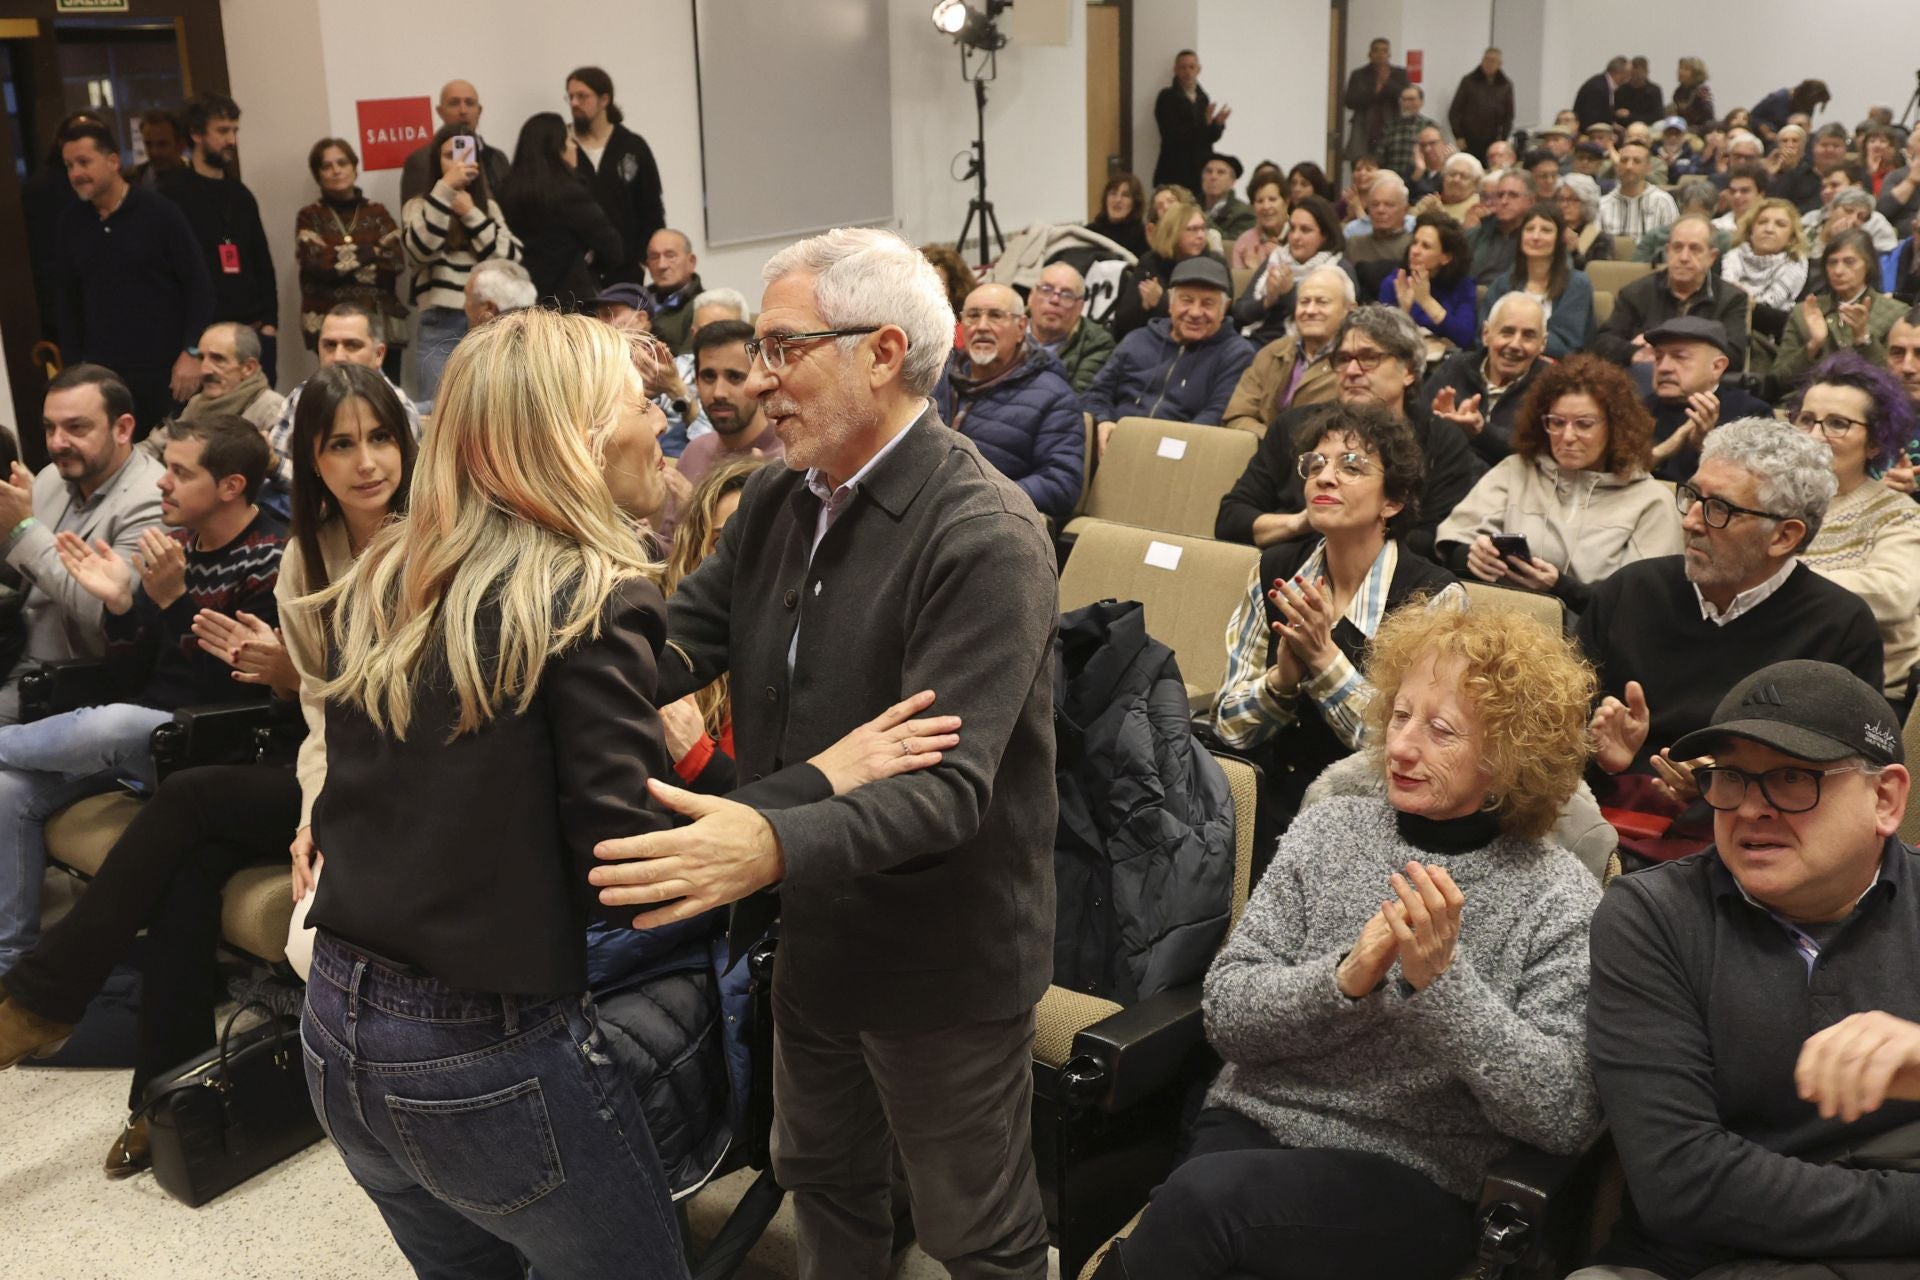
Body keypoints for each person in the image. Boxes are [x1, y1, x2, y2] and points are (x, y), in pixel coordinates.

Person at [592, 227, 1058, 1280]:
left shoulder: (984, 531)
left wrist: (763, 841)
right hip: (813, 930)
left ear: (883, 352)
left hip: (942, 952)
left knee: (973, 1232)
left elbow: (944, 790)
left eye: (780, 348)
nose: (757, 383)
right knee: (827, 1182)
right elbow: (671, 648)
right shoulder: (772, 502)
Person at [291, 305, 706, 1274]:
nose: (662, 421)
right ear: (578, 436)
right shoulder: (593, 597)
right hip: (477, 1052)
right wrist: (803, 799)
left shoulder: (387, 572)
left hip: (335, 1023)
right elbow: (628, 865)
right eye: (642, 402)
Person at [1098, 603, 1604, 1280]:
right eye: (1399, 716)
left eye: (1441, 730)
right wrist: (1345, 979)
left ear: (1510, 759)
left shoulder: (1558, 899)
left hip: (1413, 1174)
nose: (1400, 746)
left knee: (1199, 1209)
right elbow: (1228, 1017)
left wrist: (1442, 989)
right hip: (1255, 1126)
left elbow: (1563, 1113)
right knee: (1207, 1221)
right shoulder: (1328, 830)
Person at [0, 363, 412, 1178]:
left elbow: (404, 696)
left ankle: (41, 1002)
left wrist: (296, 689)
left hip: (409, 775)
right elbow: (324, 717)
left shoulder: (433, 538)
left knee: (187, 799)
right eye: (342, 444)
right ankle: (168, 1098)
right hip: (318, 764)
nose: (368, 462)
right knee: (184, 867)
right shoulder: (311, 554)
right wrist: (309, 806)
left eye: (381, 439)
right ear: (316, 462)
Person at [1577, 660, 1920, 1280]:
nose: (1750, 810)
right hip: (1699, 1262)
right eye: (1730, 778)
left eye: (1792, 779)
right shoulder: (1651, 917)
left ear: (1886, 798)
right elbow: (1683, 1184)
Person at [0, 413, 280, 975]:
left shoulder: (271, 561)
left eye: (180, 472)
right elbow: (133, 675)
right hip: (146, 730)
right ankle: (10, 964)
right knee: (8, 789)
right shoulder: (174, 545)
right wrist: (124, 609)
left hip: (211, 748)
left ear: (230, 487)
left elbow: (234, 692)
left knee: (116, 723)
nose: (161, 482)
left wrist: (175, 600)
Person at [1577, 421, 1883, 859]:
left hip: (1750, 844)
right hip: (1602, 819)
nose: (1690, 521)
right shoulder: (1630, 590)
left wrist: (1722, 782)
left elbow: (1844, 780)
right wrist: (1595, 752)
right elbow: (1553, 733)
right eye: (1692, 497)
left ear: (1785, 536)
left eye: (1718, 509)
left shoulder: (1840, 627)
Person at [1211, 401, 1462, 830]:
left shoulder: (1433, 599)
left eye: (1352, 467)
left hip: (1376, 818)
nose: (1324, 477)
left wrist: (1324, 659)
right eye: (1316, 464)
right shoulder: (1274, 571)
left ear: (1393, 501)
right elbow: (1228, 726)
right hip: (1268, 799)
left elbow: (1403, 753)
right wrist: (1282, 682)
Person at [1216, 305, 1478, 558]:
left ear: (1408, 371)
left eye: (1368, 358)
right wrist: (1301, 523)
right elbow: (1231, 519)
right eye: (1342, 359)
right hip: (1284, 571)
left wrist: (1345, 534)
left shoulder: (1442, 439)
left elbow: (1433, 543)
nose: (1352, 371)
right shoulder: (1293, 426)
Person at [1437, 355, 1683, 613]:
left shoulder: (1652, 500)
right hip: (1501, 626)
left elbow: (1643, 606)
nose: (1567, 436)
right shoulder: (1517, 470)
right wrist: (1472, 557)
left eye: (1584, 424)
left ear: (1615, 427)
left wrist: (1560, 588)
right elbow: (1451, 543)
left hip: (1594, 641)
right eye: (1556, 422)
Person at [0, 365, 165, 725]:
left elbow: (101, 614)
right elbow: (20, 574)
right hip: (16, 652)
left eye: (76, 427)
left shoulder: (153, 500)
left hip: (73, 681)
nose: (57, 442)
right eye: (49, 428)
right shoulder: (51, 478)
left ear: (122, 429)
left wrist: (21, 529)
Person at [53, 120, 215, 435]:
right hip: (106, 379)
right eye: (69, 165)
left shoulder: (160, 213)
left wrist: (192, 352)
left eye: (84, 162)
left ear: (113, 161)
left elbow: (200, 288)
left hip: (168, 373)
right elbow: (67, 305)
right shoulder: (69, 224)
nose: (75, 173)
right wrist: (73, 375)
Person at [1791, 353, 1920, 714]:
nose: (1816, 436)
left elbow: (1893, 594)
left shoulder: (1896, 512)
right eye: (1806, 420)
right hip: (1780, 681)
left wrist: (1783, 580)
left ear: (1876, 442)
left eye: (1837, 423)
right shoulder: (1773, 503)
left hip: (1866, 698)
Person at [157, 94, 279, 385]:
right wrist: (189, 344)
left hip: (251, 331)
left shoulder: (240, 194)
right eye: (223, 131)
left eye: (234, 131)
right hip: (202, 339)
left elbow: (262, 262)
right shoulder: (171, 194)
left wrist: (271, 325)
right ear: (197, 134)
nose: (231, 141)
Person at [934, 283, 1083, 521]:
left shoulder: (1055, 397)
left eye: (995, 316)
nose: (982, 326)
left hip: (989, 521)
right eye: (973, 316)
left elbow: (1060, 484)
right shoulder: (936, 376)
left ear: (1021, 328)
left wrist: (986, 496)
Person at [262, 304, 422, 519]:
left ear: (379, 354)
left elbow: (386, 488)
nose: (338, 356)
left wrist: (276, 466)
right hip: (298, 514)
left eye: (351, 345)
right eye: (329, 345)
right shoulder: (301, 395)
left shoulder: (396, 405)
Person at [402, 122, 524, 402]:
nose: (457, 162)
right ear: (436, 161)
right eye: (449, 155)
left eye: (465, 154)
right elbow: (419, 251)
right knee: (438, 409)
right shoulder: (419, 206)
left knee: (492, 407)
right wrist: (444, 191)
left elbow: (511, 259)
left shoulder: (487, 208)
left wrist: (470, 213)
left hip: (489, 321)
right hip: (439, 321)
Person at [1088, 256, 1253, 457]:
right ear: (1170, 303)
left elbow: (1216, 416)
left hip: (1181, 454)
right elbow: (1097, 393)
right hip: (1115, 443)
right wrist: (1104, 421)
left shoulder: (1236, 354)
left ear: (1224, 309)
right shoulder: (1138, 339)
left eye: (1207, 303)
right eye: (1187, 300)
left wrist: (1156, 446)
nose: (1195, 312)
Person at [294, 136, 406, 378]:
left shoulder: (377, 212)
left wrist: (337, 262)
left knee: (384, 398)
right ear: (318, 174)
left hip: (379, 324)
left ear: (354, 167)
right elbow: (318, 264)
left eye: (342, 163)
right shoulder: (310, 216)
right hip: (331, 327)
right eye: (327, 166)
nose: (335, 171)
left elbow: (395, 261)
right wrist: (371, 251)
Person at [498, 111, 623, 312]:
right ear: (558, 149)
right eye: (571, 141)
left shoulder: (506, 192)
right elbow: (612, 248)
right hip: (569, 301)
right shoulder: (570, 192)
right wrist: (587, 260)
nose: (575, 147)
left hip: (520, 299)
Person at [1591, 214, 1750, 367]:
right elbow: (1603, 342)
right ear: (1667, 251)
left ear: (1712, 257)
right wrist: (1634, 352)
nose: (1684, 257)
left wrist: (1670, 350)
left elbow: (1734, 356)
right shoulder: (1636, 293)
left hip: (1702, 387)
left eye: (1695, 249)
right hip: (1647, 377)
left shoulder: (1731, 298)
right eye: (1677, 248)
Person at [566, 66, 665, 288]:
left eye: (582, 96)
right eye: (570, 96)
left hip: (626, 269)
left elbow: (651, 208)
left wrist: (643, 260)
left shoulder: (632, 146)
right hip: (575, 273)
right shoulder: (563, 146)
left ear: (604, 99)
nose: (574, 103)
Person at [1223, 265, 1352, 434]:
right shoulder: (1273, 351)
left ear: (1350, 309)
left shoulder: (1356, 363)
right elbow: (1237, 416)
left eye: (1322, 302)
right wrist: (1271, 445)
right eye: (1304, 302)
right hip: (1260, 451)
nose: (1310, 310)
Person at [1641, 316, 1772, 482]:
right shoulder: (1638, 409)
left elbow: (1754, 487)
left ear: (1717, 367)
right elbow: (1614, 475)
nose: (1663, 368)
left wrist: (1703, 445)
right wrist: (1668, 446)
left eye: (1679, 357)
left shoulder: (1751, 414)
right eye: (1658, 357)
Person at [1774, 227, 1908, 380]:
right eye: (1832, 262)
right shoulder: (1803, 312)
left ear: (1868, 265)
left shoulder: (1897, 314)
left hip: (1868, 400)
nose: (1838, 270)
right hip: (1808, 398)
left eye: (1849, 262)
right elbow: (1777, 380)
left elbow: (1896, 381)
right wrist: (1813, 345)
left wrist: (1863, 338)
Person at [674, 319, 784, 492]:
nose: (719, 392)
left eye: (734, 377)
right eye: (708, 376)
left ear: (758, 382)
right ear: (696, 382)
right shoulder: (694, 452)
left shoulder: (787, 463)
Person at [1229, 195, 1354, 347]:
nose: (1295, 237)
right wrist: (1268, 300)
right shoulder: (1276, 259)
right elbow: (1240, 314)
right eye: (1292, 228)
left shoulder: (1338, 269)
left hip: (1305, 347)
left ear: (1325, 236)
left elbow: (1329, 319)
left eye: (1305, 230)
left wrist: (1288, 292)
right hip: (1256, 342)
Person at [1484, 202, 1594, 357]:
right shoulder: (1502, 284)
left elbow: (1567, 344)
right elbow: (1484, 335)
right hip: (1505, 362)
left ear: (1559, 239)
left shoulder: (1577, 284)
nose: (1535, 237)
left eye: (1546, 230)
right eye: (1529, 229)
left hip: (1554, 370)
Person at [152, 321, 286, 449]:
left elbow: (281, 468)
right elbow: (155, 445)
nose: (204, 370)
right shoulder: (198, 403)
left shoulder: (270, 408)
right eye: (201, 358)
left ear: (248, 368)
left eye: (218, 359)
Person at [1108, 198, 1221, 340]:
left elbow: (1218, 316)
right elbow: (1123, 321)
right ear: (1173, 233)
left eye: (1203, 228)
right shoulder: (1151, 262)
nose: (1200, 235)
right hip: (1152, 340)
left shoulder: (1215, 263)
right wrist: (1143, 305)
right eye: (1192, 229)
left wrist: (1161, 302)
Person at [399, 80, 509, 206]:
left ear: (479, 111)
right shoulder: (421, 160)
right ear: (440, 111)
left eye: (470, 103)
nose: (463, 110)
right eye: (454, 103)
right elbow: (413, 219)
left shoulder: (498, 158)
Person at [1378, 210, 1476, 351]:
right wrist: (1404, 311)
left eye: (1426, 246)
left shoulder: (1463, 286)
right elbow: (1382, 340)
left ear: (1445, 257)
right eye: (1415, 243)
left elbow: (1465, 337)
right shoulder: (1395, 282)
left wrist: (1426, 301)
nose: (1415, 251)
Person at [1027, 262, 1115, 394]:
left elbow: (1077, 399)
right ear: (1031, 297)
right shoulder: (1008, 327)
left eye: (1067, 295)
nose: (1054, 300)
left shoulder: (1096, 343)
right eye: (1046, 290)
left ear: (1080, 307)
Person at [1152, 50, 1228, 195]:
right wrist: (1203, 123)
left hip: (1199, 172)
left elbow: (1208, 138)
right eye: (1183, 67)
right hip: (1174, 171)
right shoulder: (1166, 98)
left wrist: (1217, 124)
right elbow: (1171, 135)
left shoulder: (1202, 98)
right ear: (1175, 70)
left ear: (1198, 70)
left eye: (1191, 67)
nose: (1187, 72)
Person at [1344, 172, 1414, 296]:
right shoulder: (1354, 244)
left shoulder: (1413, 246)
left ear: (1405, 210)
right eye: (1375, 205)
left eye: (1389, 205)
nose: (1380, 210)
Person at [1597, 140, 1679, 240]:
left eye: (1636, 161)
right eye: (1624, 160)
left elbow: (1673, 242)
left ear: (1648, 167)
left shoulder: (1663, 202)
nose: (1629, 166)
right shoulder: (1602, 205)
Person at [1343, 38, 1409, 163]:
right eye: (1376, 51)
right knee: (1361, 164)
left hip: (1391, 127)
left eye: (1384, 51)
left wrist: (1387, 83)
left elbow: (1405, 97)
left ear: (1389, 54)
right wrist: (1375, 90)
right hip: (1364, 128)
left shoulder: (1399, 74)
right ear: (1369, 54)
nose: (1380, 55)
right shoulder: (1359, 74)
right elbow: (1350, 101)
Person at [1466, 168, 1532, 285]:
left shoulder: (1538, 239)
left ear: (1531, 201)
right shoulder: (1475, 235)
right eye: (1500, 195)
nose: (1504, 201)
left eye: (1513, 195)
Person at [645, 230, 705, 355]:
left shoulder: (704, 307)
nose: (662, 265)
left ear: (691, 261)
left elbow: (690, 365)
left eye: (670, 255)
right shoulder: (635, 302)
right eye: (654, 257)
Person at [1450, 47, 1514, 161]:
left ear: (1500, 64)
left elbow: (1509, 116)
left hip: (1493, 139)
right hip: (1469, 140)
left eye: (1493, 60)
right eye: (1486, 60)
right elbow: (1454, 111)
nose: (1489, 63)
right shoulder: (1468, 81)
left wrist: (1503, 140)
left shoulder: (1506, 85)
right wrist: (1458, 136)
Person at [1554, 173, 1616, 270]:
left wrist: (1574, 252)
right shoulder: (1550, 232)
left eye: (1573, 199)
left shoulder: (1600, 240)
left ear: (1587, 203)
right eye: (1561, 199)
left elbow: (1599, 276)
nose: (1564, 205)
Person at [1379, 85, 1438, 182]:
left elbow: (1436, 157)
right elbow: (1380, 156)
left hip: (1422, 181)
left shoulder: (1430, 126)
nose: (1406, 103)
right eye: (1403, 99)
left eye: (1411, 99)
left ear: (1421, 102)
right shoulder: (1390, 127)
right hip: (1393, 180)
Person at [1231, 171, 1289, 270]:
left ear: (1286, 202)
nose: (1266, 206)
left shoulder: (1299, 237)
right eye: (1260, 201)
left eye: (1272, 199)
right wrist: (1253, 272)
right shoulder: (1244, 243)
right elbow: (1238, 284)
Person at [462, 258, 537, 330]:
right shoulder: (545, 337)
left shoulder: (480, 342)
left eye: (467, 298)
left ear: (489, 308)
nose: (463, 306)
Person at [1088, 172, 1149, 257]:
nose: (1118, 200)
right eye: (1113, 193)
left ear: (1135, 203)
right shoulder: (1090, 232)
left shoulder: (1143, 236)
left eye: (1125, 195)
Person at [1752, 79, 1831, 143]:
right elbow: (1752, 117)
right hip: (1767, 141)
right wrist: (1763, 129)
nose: (1813, 105)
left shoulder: (1808, 105)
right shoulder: (1778, 98)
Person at [1766, 124, 1822, 214]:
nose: (1790, 145)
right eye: (1784, 141)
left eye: (1795, 141)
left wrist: (1791, 169)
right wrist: (1770, 176)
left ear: (1803, 145)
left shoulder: (1810, 173)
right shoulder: (1770, 171)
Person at [1415, 151, 1483, 225]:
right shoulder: (1430, 202)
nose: (1456, 180)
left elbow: (1467, 233)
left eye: (1463, 176)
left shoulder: (1479, 205)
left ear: (1475, 182)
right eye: (1452, 174)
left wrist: (1440, 215)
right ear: (1443, 177)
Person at [1710, 160, 1772, 237]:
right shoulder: (1714, 227)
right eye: (1733, 191)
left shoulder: (1770, 229)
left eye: (1744, 191)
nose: (1737, 196)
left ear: (1761, 195)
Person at [128, 110, 186, 189]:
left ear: (180, 145)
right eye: (148, 144)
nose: (155, 152)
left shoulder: (197, 185)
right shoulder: (131, 180)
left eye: (162, 144)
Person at [1575, 56, 1631, 132]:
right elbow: (1592, 119)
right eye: (1628, 74)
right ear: (1619, 73)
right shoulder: (1598, 87)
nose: (1629, 79)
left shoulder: (1603, 84)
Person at [1670, 57, 1715, 129]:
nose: (1681, 72)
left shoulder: (1702, 92)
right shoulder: (1678, 91)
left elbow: (1708, 119)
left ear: (1696, 73)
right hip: (1682, 128)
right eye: (1680, 68)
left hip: (1699, 129)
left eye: (1686, 69)